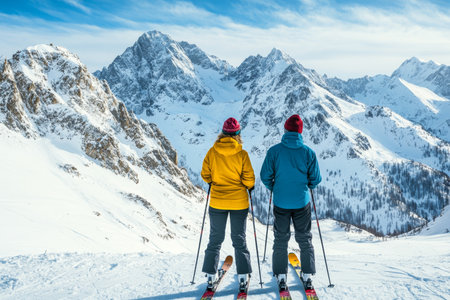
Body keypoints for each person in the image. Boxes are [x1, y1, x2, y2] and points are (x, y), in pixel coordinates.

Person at [260, 114, 322, 290]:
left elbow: (265, 176)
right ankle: (308, 275)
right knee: (304, 238)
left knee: (281, 239)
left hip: (280, 202)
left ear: (285, 130)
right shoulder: (308, 153)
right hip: (302, 202)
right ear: (300, 132)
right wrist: (306, 185)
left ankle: (281, 275)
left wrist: (274, 187)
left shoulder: (274, 151)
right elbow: (316, 179)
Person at [201, 117, 255, 291]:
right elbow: (249, 179)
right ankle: (243, 277)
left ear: (222, 133)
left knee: (215, 239)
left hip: (217, 201)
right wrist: (247, 186)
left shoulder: (212, 152)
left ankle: (210, 276)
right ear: (238, 134)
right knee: (239, 239)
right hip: (239, 202)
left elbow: (205, 174)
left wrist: (214, 182)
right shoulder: (242, 154)